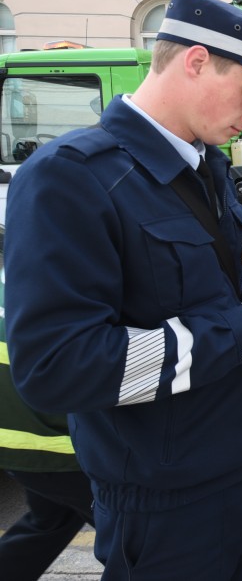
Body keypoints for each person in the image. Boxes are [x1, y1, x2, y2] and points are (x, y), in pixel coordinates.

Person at [5, 0, 242, 581]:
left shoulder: (205, 166)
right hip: (162, 506)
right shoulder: (70, 178)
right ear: (194, 61)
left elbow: (214, 291)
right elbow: (57, 368)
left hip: (237, 477)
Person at [0, 249, 95, 581]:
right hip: (53, 442)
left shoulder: (25, 270)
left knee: (50, 521)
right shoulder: (82, 278)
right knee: (136, 535)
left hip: (14, 440)